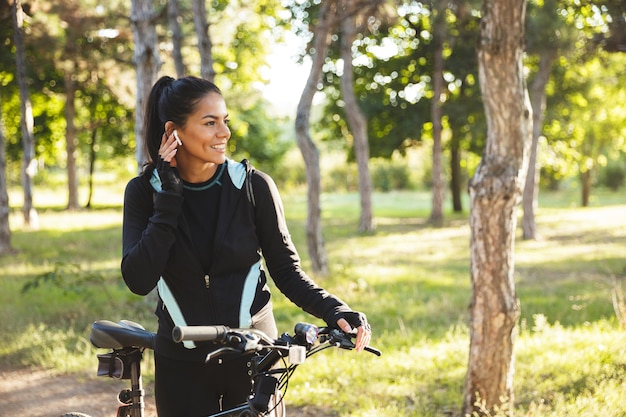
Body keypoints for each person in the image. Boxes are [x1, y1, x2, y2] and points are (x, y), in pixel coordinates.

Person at [121, 75, 372, 416]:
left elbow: (286, 270)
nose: (223, 133)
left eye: (224, 121)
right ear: (173, 132)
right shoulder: (144, 192)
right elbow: (139, 279)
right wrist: (168, 198)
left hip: (256, 356)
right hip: (181, 361)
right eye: (210, 123)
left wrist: (336, 310)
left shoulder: (253, 187)